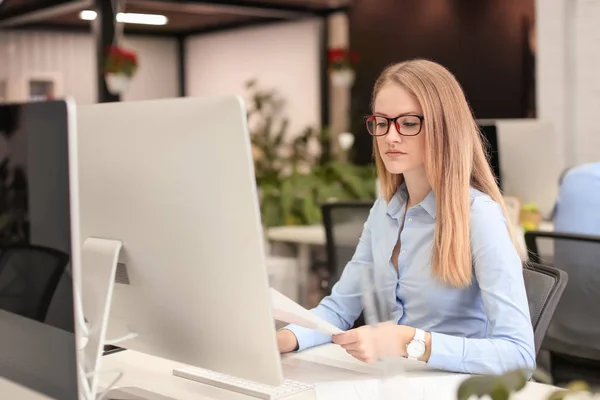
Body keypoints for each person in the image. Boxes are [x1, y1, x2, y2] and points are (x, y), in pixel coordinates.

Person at [276, 59, 536, 375]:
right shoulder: (384, 211)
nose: (391, 137)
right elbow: (338, 310)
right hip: (393, 382)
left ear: (444, 127)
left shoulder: (478, 216)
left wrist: (411, 341)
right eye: (382, 122)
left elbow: (519, 354)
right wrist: (281, 340)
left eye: (409, 123)